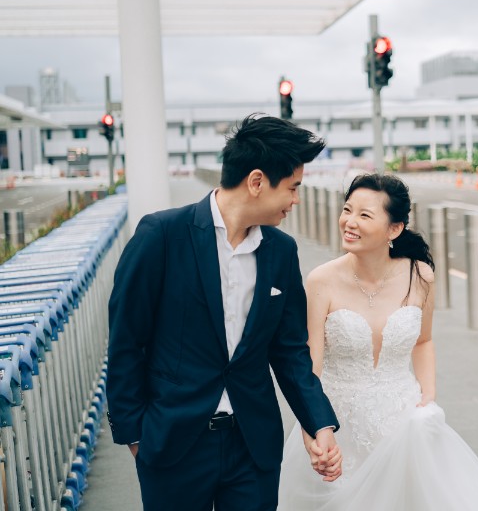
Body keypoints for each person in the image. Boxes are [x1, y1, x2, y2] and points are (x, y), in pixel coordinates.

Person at [107, 114, 342, 511]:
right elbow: (126, 340)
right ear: (256, 182)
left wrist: (319, 422)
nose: (296, 200)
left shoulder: (281, 252)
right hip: (173, 445)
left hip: (252, 447)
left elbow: (289, 351)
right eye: (293, 187)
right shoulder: (161, 236)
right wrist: (136, 437)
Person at [278, 173, 478, 510]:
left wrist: (427, 398)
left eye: (364, 215)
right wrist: (312, 431)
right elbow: (308, 366)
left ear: (394, 229)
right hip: (338, 426)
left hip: (402, 423)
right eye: (347, 210)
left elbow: (424, 341)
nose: (349, 222)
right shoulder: (321, 281)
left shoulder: (420, 275)